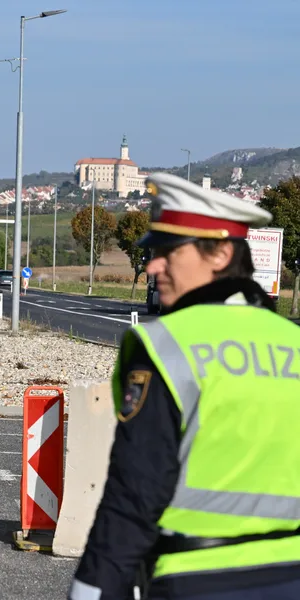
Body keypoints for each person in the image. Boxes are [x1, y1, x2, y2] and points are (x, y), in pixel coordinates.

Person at [68, 172, 300, 600]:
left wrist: (92, 588)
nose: (154, 266)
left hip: (196, 578)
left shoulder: (166, 345)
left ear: (221, 253)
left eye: (167, 251)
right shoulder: (294, 343)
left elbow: (136, 487)